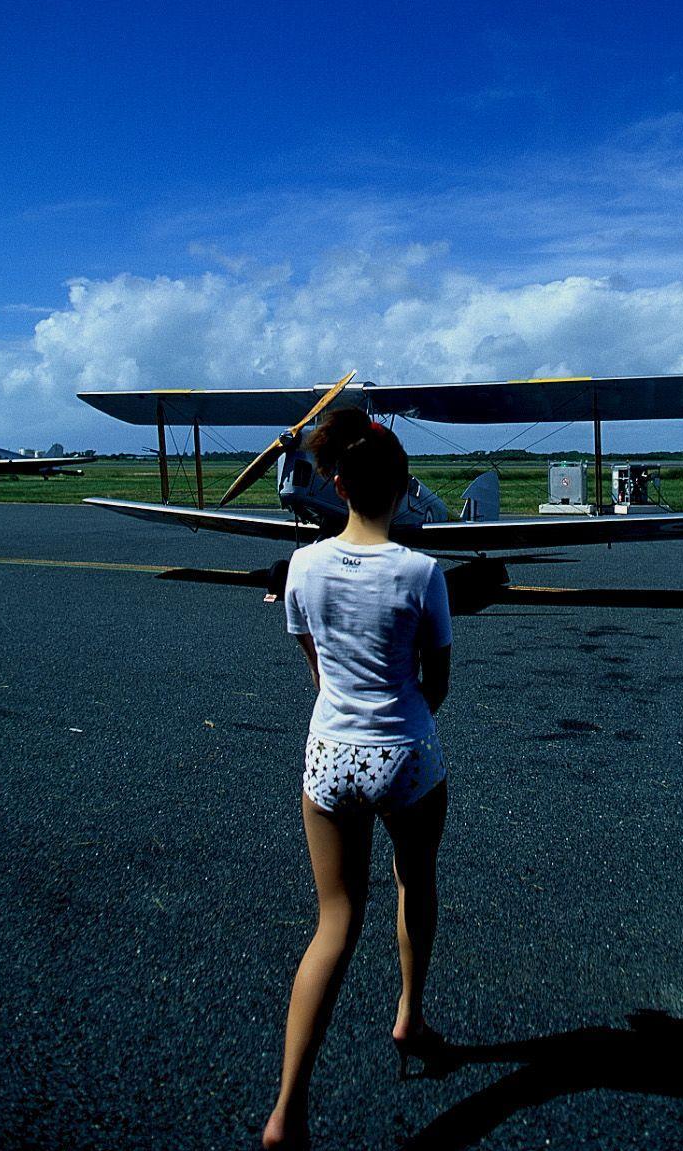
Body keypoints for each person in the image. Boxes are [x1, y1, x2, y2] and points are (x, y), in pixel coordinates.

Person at [261, 408, 453, 1151]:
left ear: (334, 482)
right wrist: (402, 720)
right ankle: (408, 1011)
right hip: (405, 750)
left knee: (333, 922)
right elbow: (435, 682)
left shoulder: (301, 566)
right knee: (415, 882)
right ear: (404, 488)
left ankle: (286, 1109)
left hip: (329, 754)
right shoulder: (422, 571)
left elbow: (315, 668)